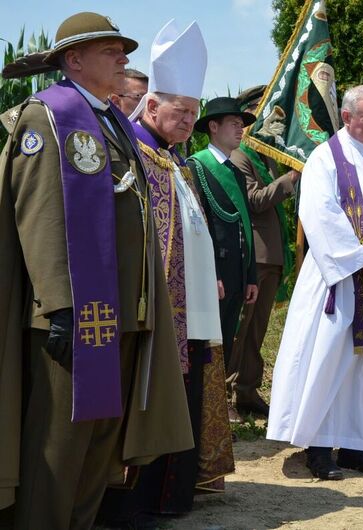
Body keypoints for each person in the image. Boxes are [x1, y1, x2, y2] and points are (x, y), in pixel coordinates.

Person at [0, 12, 192, 528]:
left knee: (98, 449)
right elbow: (38, 214)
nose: (123, 58)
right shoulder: (49, 117)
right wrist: (60, 304)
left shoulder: (109, 119)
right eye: (111, 50)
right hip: (72, 317)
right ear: (75, 60)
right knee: (60, 449)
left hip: (118, 313)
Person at [96, 20, 233, 525]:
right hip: (154, 308)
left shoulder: (174, 160)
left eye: (195, 114)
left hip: (192, 309)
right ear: (151, 107)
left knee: (187, 397)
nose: (190, 122)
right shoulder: (133, 153)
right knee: (149, 401)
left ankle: (175, 494)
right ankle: (137, 501)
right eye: (182, 112)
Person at [267, 85, 363, 481]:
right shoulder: (325, 159)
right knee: (329, 361)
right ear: (347, 117)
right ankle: (318, 449)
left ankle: (356, 446)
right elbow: (321, 215)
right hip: (341, 281)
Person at [227, 85, 299, 418]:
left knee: (258, 330)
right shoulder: (241, 155)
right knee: (242, 329)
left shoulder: (267, 155)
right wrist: (290, 178)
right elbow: (256, 201)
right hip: (254, 255)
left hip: (271, 255)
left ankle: (248, 390)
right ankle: (228, 390)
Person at [188, 97, 259, 423]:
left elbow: (245, 223)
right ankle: (204, 406)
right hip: (215, 272)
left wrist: (251, 274)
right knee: (208, 342)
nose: (240, 129)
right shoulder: (197, 165)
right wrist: (210, 273)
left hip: (236, 272)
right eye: (233, 123)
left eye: (241, 124)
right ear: (213, 127)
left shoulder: (233, 168)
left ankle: (216, 403)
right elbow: (200, 225)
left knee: (227, 339)